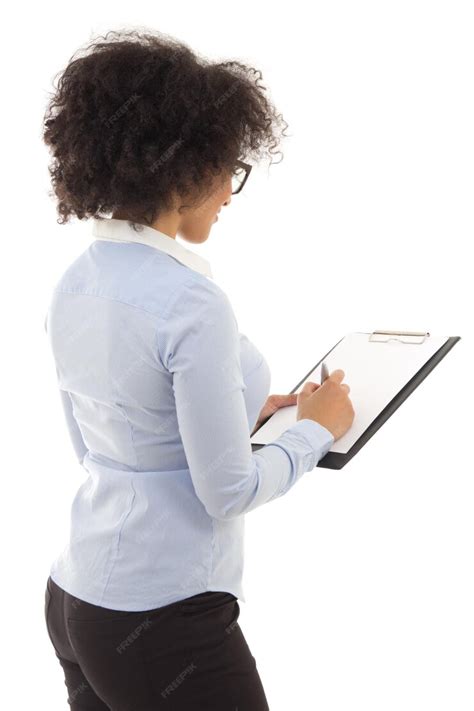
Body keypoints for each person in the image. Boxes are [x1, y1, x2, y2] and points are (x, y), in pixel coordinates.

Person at [42, 28, 354, 711]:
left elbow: (101, 442)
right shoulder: (192, 301)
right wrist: (316, 432)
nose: (229, 194)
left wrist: (245, 406)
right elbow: (227, 492)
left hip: (75, 599)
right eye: (228, 170)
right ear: (182, 171)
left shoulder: (75, 282)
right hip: (160, 618)